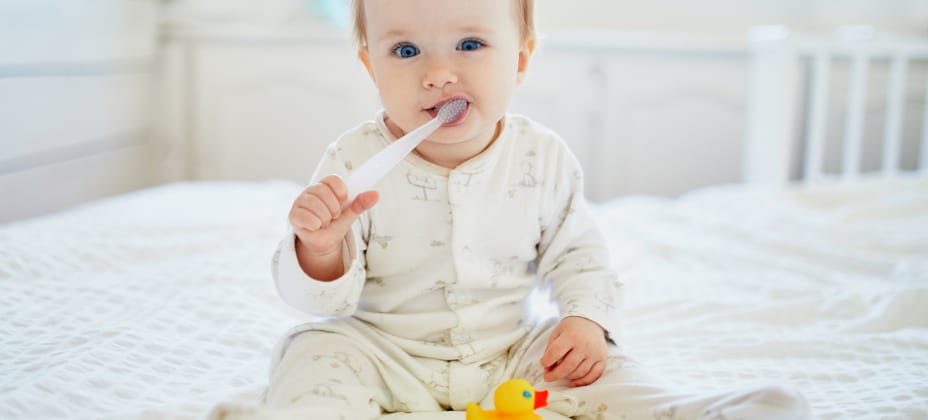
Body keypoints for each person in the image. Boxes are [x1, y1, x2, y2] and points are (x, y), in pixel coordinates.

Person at [211, 0, 812, 418]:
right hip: (383, 351)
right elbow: (323, 298)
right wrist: (319, 249)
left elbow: (580, 256)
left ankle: (690, 411)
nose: (438, 73)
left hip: (510, 355)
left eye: (470, 45)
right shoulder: (353, 160)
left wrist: (584, 321)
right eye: (406, 50)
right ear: (371, 65)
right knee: (315, 349)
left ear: (521, 59)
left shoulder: (542, 158)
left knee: (599, 369)